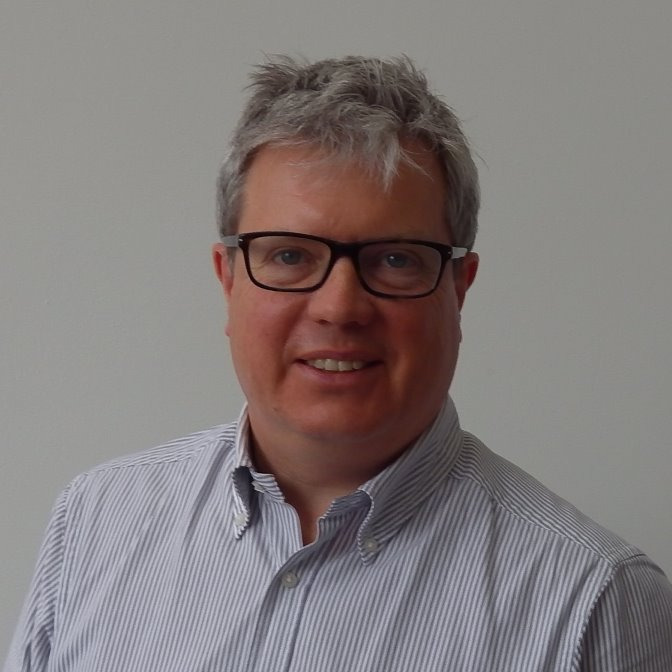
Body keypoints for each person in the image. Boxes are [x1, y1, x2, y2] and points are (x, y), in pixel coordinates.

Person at [5, 55, 672, 672]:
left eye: (395, 259)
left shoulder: (594, 598)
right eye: (290, 255)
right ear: (228, 279)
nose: (339, 307)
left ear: (459, 288)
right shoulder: (96, 521)